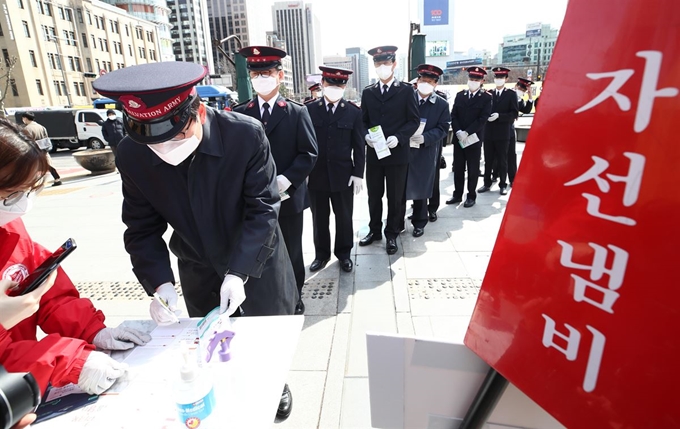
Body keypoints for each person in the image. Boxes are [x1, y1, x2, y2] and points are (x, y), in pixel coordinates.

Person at [93, 61, 298, 419]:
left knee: (265, 335)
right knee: (211, 345)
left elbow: (263, 209)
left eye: (173, 136)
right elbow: (141, 227)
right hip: (197, 265)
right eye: (151, 141)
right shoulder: (133, 153)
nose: (163, 148)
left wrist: (239, 272)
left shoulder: (245, 135)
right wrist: (159, 283)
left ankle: (275, 383)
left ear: (198, 111)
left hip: (256, 259)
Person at [0, 118, 151, 396]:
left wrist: (93, 331)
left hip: (17, 387)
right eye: (11, 195)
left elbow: (48, 295)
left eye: (29, 190)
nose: (21, 204)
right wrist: (68, 362)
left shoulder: (8, 226)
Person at [234, 46, 318, 316]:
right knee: (258, 247)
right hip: (254, 199)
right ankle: (261, 294)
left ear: (280, 76)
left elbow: (309, 153)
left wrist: (286, 179)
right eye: (256, 74)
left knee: (292, 249)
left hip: (288, 196)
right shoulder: (240, 112)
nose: (261, 78)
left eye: (267, 72)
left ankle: (295, 295)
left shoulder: (295, 112)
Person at [360, 45, 419, 255]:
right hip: (375, 153)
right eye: (378, 63)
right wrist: (366, 135)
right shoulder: (368, 93)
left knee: (395, 197)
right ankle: (374, 230)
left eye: (386, 62)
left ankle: (392, 233)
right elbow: (363, 120)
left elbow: (413, 120)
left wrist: (399, 137)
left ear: (394, 64)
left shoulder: (405, 91)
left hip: (397, 153)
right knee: (374, 195)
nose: (382, 66)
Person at [305, 66, 365, 273]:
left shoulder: (354, 112)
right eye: (330, 83)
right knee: (319, 218)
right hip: (316, 175)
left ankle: (344, 254)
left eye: (339, 84)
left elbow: (359, 146)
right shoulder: (309, 110)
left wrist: (358, 173)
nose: (334, 88)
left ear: (345, 86)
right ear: (322, 84)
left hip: (343, 176)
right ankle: (321, 255)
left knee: (344, 217)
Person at [406, 64, 450, 237]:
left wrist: (426, 138)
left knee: (422, 186)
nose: (426, 84)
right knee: (401, 185)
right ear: (417, 81)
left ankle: (419, 221)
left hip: (426, 150)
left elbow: (443, 127)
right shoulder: (407, 99)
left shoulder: (441, 104)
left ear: (435, 84)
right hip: (405, 148)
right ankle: (398, 221)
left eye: (430, 81)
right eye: (423, 80)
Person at [446, 67, 492, 208]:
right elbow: (453, 115)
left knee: (473, 168)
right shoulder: (461, 95)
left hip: (473, 139)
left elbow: (482, 118)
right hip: (459, 138)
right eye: (471, 79)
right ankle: (457, 194)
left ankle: (471, 196)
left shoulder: (486, 97)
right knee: (458, 168)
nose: (473, 82)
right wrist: (458, 130)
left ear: (482, 81)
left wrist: (468, 132)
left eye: (476, 80)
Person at [478, 67, 518, 196]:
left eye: (501, 77)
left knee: (503, 159)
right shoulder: (489, 93)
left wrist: (500, 116)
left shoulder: (511, 94)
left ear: (506, 79)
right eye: (496, 77)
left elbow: (514, 113)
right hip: (488, 132)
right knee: (488, 160)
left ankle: (503, 184)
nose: (498, 80)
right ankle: (487, 183)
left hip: (503, 132)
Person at [20, 113, 61, 187]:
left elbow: (26, 141)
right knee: (49, 164)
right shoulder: (41, 127)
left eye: (23, 119)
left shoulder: (27, 129)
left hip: (33, 149)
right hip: (44, 148)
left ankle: (32, 183)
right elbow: (46, 137)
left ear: (25, 118)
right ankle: (57, 179)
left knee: (31, 166)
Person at [508, 77, 535, 186]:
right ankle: (495, 175)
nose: (521, 90)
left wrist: (530, 95)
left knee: (511, 154)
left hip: (510, 128)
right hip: (498, 128)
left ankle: (512, 178)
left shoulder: (520, 100)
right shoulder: (507, 94)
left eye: (523, 90)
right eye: (520, 87)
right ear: (516, 86)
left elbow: (526, 110)